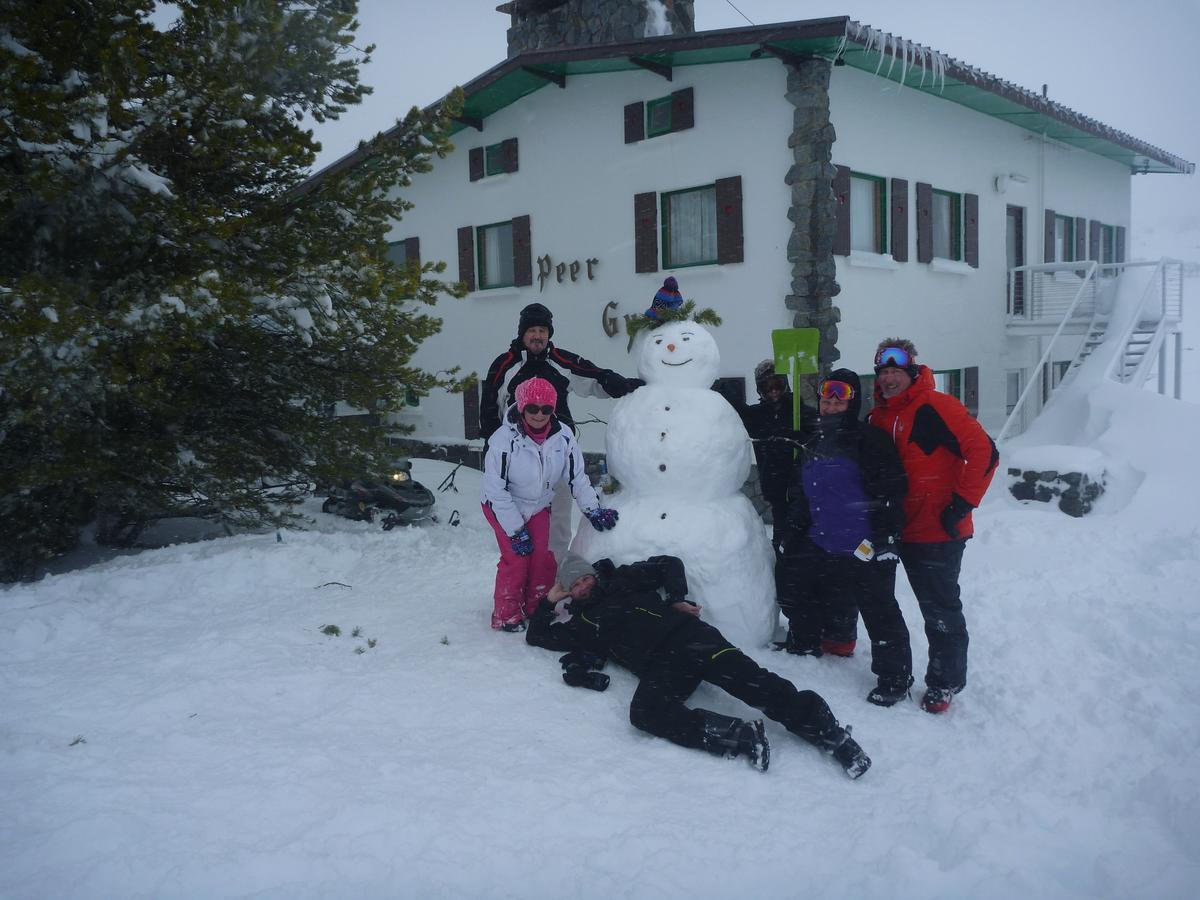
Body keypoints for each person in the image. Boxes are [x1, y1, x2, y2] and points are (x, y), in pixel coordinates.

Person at [526, 552, 872, 779]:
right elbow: (537, 636)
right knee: (645, 713)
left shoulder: (623, 580)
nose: (584, 585)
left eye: (585, 577)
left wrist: (676, 598)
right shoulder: (583, 625)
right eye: (575, 584)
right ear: (568, 591)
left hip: (692, 636)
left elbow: (668, 564)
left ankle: (828, 731)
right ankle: (738, 736)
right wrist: (547, 601)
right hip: (662, 665)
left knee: (754, 682)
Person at [867, 339, 999, 714]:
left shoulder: (937, 406)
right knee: (884, 606)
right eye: (883, 372)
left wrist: (961, 504)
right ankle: (896, 672)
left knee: (939, 610)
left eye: (896, 371)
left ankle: (945, 682)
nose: (889, 378)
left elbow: (985, 452)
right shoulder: (878, 416)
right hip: (896, 529)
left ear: (912, 372)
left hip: (937, 531)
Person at [774, 369, 914, 706]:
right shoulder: (812, 440)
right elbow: (803, 493)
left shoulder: (869, 440)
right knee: (806, 587)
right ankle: (823, 640)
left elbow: (893, 490)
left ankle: (895, 677)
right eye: (826, 396)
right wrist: (790, 531)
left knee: (878, 609)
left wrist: (885, 538)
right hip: (822, 537)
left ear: (852, 401)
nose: (832, 403)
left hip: (863, 542)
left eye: (840, 397)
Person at [480, 302, 638, 557]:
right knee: (519, 526)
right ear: (522, 333)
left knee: (559, 525)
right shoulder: (505, 365)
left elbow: (594, 378)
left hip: (557, 456)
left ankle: (553, 578)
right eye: (532, 330)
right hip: (520, 460)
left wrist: (623, 385)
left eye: (543, 330)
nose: (538, 336)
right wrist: (493, 451)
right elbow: (489, 408)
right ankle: (523, 579)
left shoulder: (560, 360)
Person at [480, 378, 618, 632]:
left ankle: (537, 605)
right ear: (522, 408)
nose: (539, 414)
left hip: (538, 505)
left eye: (546, 409)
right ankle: (506, 614)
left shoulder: (563, 437)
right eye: (532, 408)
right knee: (517, 559)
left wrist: (592, 509)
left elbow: (577, 477)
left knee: (545, 557)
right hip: (502, 506)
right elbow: (495, 489)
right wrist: (515, 530)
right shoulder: (503, 440)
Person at [733, 360, 817, 549]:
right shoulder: (757, 416)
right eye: (766, 387)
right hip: (777, 493)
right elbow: (738, 412)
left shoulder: (800, 412)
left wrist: (802, 437)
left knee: (806, 543)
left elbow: (819, 442)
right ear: (759, 390)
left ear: (785, 384)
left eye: (777, 385)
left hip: (804, 494)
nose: (773, 391)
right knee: (782, 544)